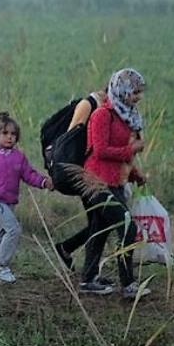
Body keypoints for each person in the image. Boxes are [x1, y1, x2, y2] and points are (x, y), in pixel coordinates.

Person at [72, 68, 150, 299]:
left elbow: (123, 156)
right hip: (97, 182)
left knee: (100, 230)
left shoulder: (127, 116)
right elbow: (101, 150)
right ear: (121, 90)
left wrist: (136, 175)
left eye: (139, 92)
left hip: (115, 181)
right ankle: (128, 285)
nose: (137, 97)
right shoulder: (102, 115)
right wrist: (131, 149)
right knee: (128, 227)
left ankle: (88, 279)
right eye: (134, 92)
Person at [0, 112, 52, 285]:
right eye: (5, 133)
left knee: (0, 234)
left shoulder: (18, 157)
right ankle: (0, 265)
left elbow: (29, 175)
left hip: (10, 201)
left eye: (13, 134)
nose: (9, 137)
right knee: (13, 229)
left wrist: (44, 182)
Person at [52, 87, 107, 271]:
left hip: (92, 173)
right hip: (82, 171)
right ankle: (90, 274)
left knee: (99, 221)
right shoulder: (88, 105)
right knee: (100, 221)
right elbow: (71, 138)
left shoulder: (106, 110)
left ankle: (67, 248)